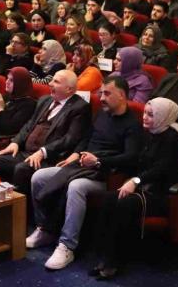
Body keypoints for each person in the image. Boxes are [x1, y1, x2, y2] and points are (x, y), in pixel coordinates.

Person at [26, 77, 142, 270]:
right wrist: (76, 154)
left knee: (76, 186)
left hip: (106, 175)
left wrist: (98, 161)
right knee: (38, 177)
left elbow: (131, 157)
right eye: (101, 93)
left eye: (107, 93)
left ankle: (67, 245)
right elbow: (86, 138)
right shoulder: (102, 114)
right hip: (81, 165)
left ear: (122, 95)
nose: (101, 98)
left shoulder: (132, 124)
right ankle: (45, 229)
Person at [90, 97, 178, 280]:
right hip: (145, 187)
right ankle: (103, 256)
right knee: (109, 199)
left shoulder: (172, 139)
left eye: (151, 115)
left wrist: (135, 181)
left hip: (163, 194)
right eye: (145, 113)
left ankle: (114, 261)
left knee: (124, 204)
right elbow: (137, 160)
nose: (144, 117)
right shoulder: (151, 132)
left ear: (163, 116)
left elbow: (160, 170)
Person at [0, 70, 91, 194]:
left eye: (56, 82)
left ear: (69, 89)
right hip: (26, 153)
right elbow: (29, 125)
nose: (50, 83)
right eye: (52, 80)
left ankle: (20, 205)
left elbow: (70, 138)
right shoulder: (45, 100)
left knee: (22, 169)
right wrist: (16, 142)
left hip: (50, 158)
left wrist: (43, 152)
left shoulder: (79, 107)